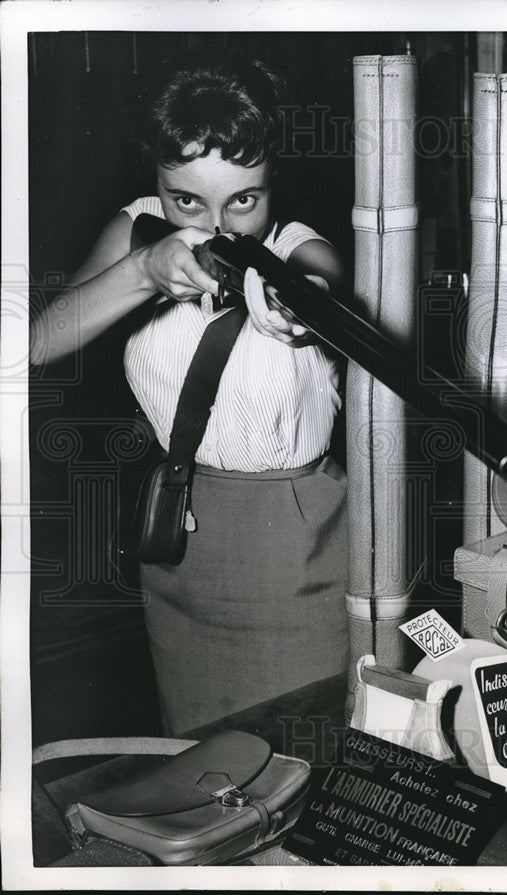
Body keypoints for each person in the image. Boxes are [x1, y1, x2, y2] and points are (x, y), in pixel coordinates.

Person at [30, 48, 349, 735]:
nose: (215, 224)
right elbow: (32, 344)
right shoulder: (136, 227)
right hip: (179, 539)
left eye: (243, 199)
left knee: (306, 753)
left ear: (272, 184)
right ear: (157, 182)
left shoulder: (294, 242)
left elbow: (319, 278)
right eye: (186, 200)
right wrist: (144, 267)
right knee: (199, 768)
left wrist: (296, 300)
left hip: (298, 550)